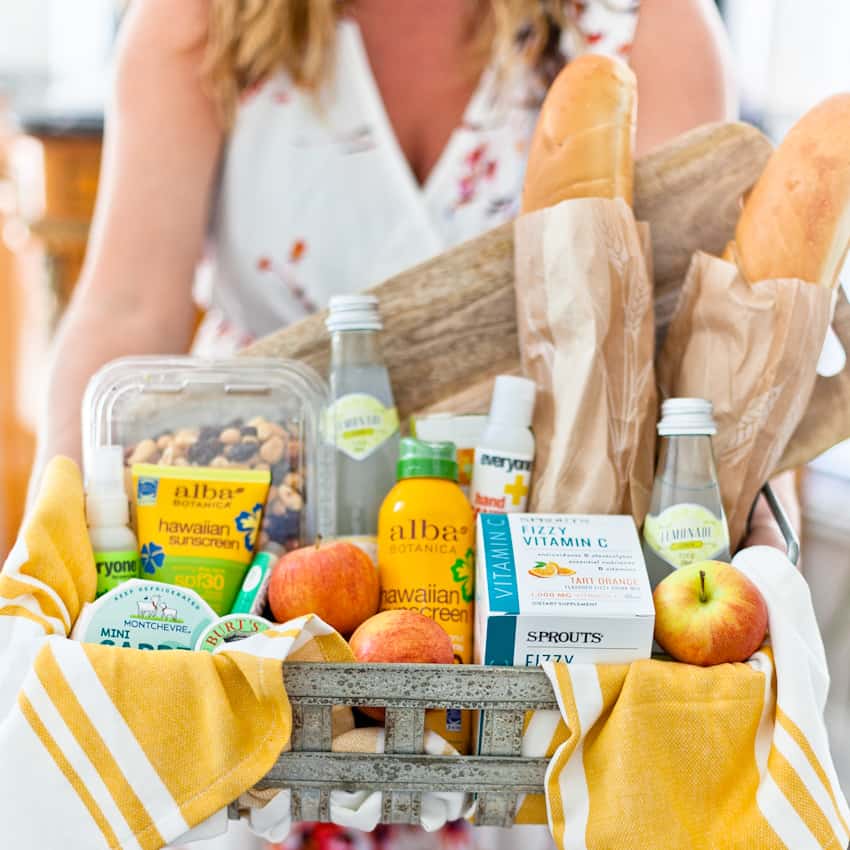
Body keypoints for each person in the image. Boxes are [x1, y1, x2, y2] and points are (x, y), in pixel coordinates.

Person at [29, 0, 794, 848]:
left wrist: (767, 578)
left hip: (540, 661)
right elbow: (125, 306)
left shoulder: (645, 30)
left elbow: (702, 366)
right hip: (250, 606)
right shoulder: (204, 21)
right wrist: (44, 571)